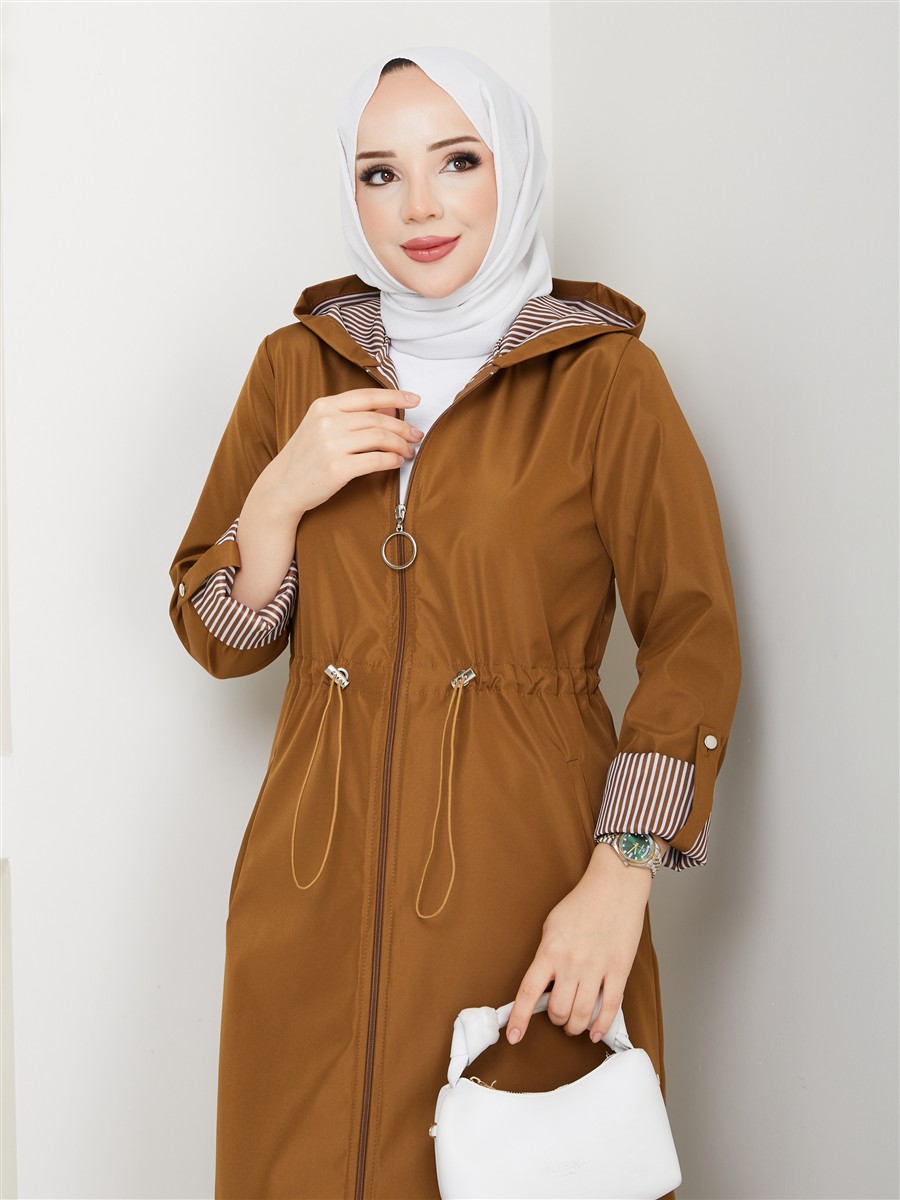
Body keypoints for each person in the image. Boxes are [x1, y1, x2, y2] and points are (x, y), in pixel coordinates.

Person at [169, 46, 741, 1200]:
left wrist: (620, 878)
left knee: (520, 1166)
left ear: (511, 169)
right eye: (380, 173)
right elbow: (223, 641)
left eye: (457, 161)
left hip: (527, 872)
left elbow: (692, 635)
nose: (420, 206)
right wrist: (280, 494)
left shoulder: (605, 379)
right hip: (308, 874)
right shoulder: (295, 369)